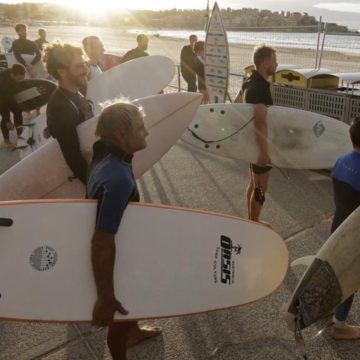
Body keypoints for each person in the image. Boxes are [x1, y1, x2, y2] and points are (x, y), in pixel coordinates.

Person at [87, 101, 161, 359]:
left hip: (126, 245)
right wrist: (105, 296)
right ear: (121, 135)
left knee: (128, 306)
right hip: (117, 258)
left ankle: (134, 330)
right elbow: (102, 239)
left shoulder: (106, 156)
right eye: (141, 128)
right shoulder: (117, 177)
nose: (147, 133)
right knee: (117, 318)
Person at [234, 44, 277, 224]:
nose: (277, 64)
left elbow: (235, 105)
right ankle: (254, 223)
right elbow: (260, 121)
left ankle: (251, 219)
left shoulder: (248, 81)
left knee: (253, 184)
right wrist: (264, 152)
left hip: (250, 144)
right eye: (274, 61)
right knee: (260, 188)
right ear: (266, 62)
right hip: (259, 145)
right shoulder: (261, 87)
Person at [43, 43, 93, 185]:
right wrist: (96, 185)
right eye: (79, 66)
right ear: (62, 71)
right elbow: (73, 156)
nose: (86, 70)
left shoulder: (77, 92)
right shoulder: (61, 107)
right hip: (83, 180)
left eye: (85, 64)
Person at [330, 117, 360, 340]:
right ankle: (339, 326)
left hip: (337, 226)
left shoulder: (340, 160)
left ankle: (330, 308)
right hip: (355, 235)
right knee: (350, 277)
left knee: (336, 271)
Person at [0, 64, 26, 146]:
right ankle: (7, 140)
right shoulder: (2, 82)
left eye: (22, 78)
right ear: (12, 75)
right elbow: (3, 103)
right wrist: (8, 120)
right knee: (5, 119)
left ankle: (20, 135)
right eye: (19, 78)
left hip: (8, 93)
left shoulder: (16, 74)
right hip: (1, 98)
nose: (20, 80)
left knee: (18, 110)